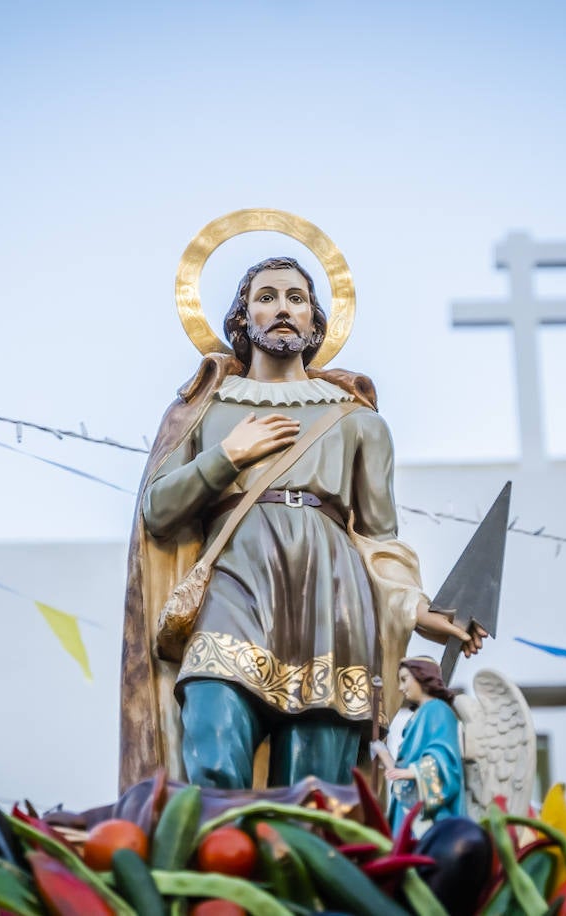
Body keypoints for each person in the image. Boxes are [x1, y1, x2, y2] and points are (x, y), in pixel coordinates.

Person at [118, 256, 485, 792]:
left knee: (314, 784)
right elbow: (158, 511)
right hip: (235, 584)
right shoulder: (204, 410)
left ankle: (301, 867)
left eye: (297, 298)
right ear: (242, 319)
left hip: (331, 596)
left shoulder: (358, 421)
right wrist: (227, 455)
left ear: (316, 322)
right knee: (211, 731)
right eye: (266, 297)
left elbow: (379, 539)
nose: (283, 308)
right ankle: (215, 860)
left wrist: (420, 611)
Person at [375, 657, 465, 835]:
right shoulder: (418, 716)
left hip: (426, 810)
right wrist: (384, 755)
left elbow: (445, 760)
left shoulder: (439, 710)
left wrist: (410, 772)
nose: (401, 688)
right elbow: (404, 766)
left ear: (421, 676)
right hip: (408, 803)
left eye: (404, 679)